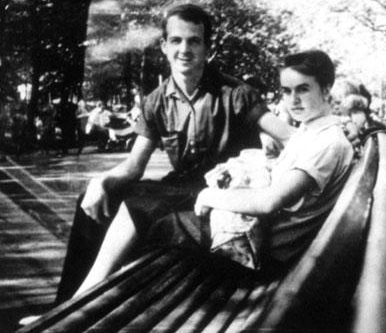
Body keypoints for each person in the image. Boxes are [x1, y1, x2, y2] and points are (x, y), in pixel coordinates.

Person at [52, 3, 294, 305]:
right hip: (181, 186)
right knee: (93, 200)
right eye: (176, 41)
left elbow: (291, 137)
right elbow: (133, 167)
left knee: (138, 206)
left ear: (208, 49)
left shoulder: (236, 94)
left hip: (223, 195)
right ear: (164, 47)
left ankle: (81, 302)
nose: (185, 49)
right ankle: (61, 308)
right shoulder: (155, 101)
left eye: (195, 41)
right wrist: (100, 181)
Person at [72, 49, 354, 296]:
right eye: (286, 91)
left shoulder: (327, 142)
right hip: (259, 241)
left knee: (142, 214)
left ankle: (84, 305)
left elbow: (269, 202)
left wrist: (210, 196)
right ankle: (85, 298)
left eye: (303, 89)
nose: (293, 100)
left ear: (327, 90)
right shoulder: (314, 132)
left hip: (257, 255)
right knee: (143, 207)